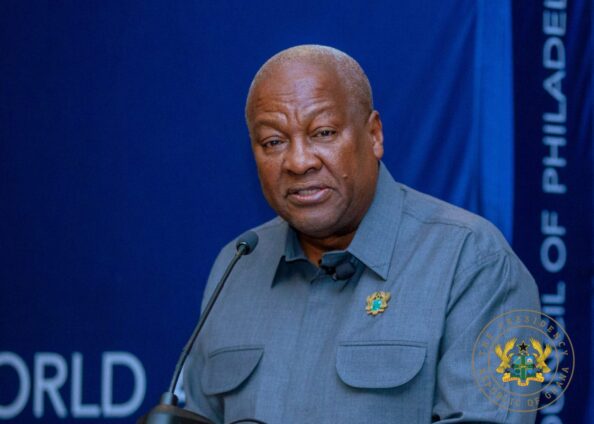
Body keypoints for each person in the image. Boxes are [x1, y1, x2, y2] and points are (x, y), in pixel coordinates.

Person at [183, 45, 540, 423]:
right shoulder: (238, 263)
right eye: (274, 141)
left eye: (323, 132)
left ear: (373, 135)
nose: (299, 162)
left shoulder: (472, 260)